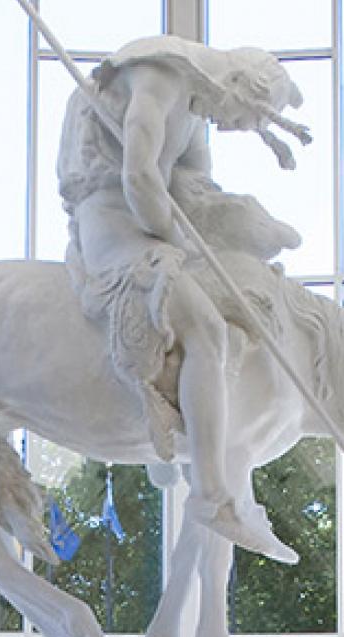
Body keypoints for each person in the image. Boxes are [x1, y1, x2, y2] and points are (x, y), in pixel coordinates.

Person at [58, 36, 312, 564]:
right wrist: (179, 241)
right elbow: (139, 177)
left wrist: (238, 225)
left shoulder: (195, 108)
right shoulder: (158, 81)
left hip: (157, 224)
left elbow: (195, 185)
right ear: (239, 89)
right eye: (241, 118)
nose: (231, 126)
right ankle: (212, 493)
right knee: (205, 329)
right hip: (112, 220)